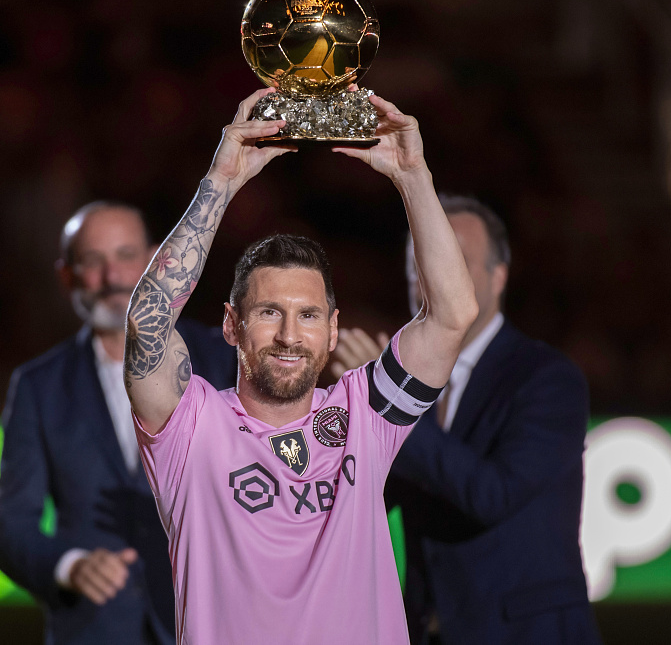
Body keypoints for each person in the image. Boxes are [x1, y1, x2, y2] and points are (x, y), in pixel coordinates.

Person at [122, 88, 479, 645]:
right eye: (269, 312)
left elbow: (454, 314)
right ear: (232, 325)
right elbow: (147, 326)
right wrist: (222, 182)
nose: (290, 335)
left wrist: (413, 177)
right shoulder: (191, 427)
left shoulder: (367, 411)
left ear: (333, 329)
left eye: (308, 315)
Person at [331, 196, 602, 644]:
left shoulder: (547, 378)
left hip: (528, 634)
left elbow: (492, 494)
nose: (431, 274)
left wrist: (393, 399)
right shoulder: (402, 375)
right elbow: (372, 499)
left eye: (452, 259)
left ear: (499, 277)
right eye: (420, 261)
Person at [0, 201, 236, 645]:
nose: (113, 277)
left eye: (125, 256)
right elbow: (11, 530)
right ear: (67, 275)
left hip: (211, 623)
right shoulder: (37, 386)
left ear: (158, 260)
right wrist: (70, 565)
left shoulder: (223, 359)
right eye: (92, 261)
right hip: (93, 629)